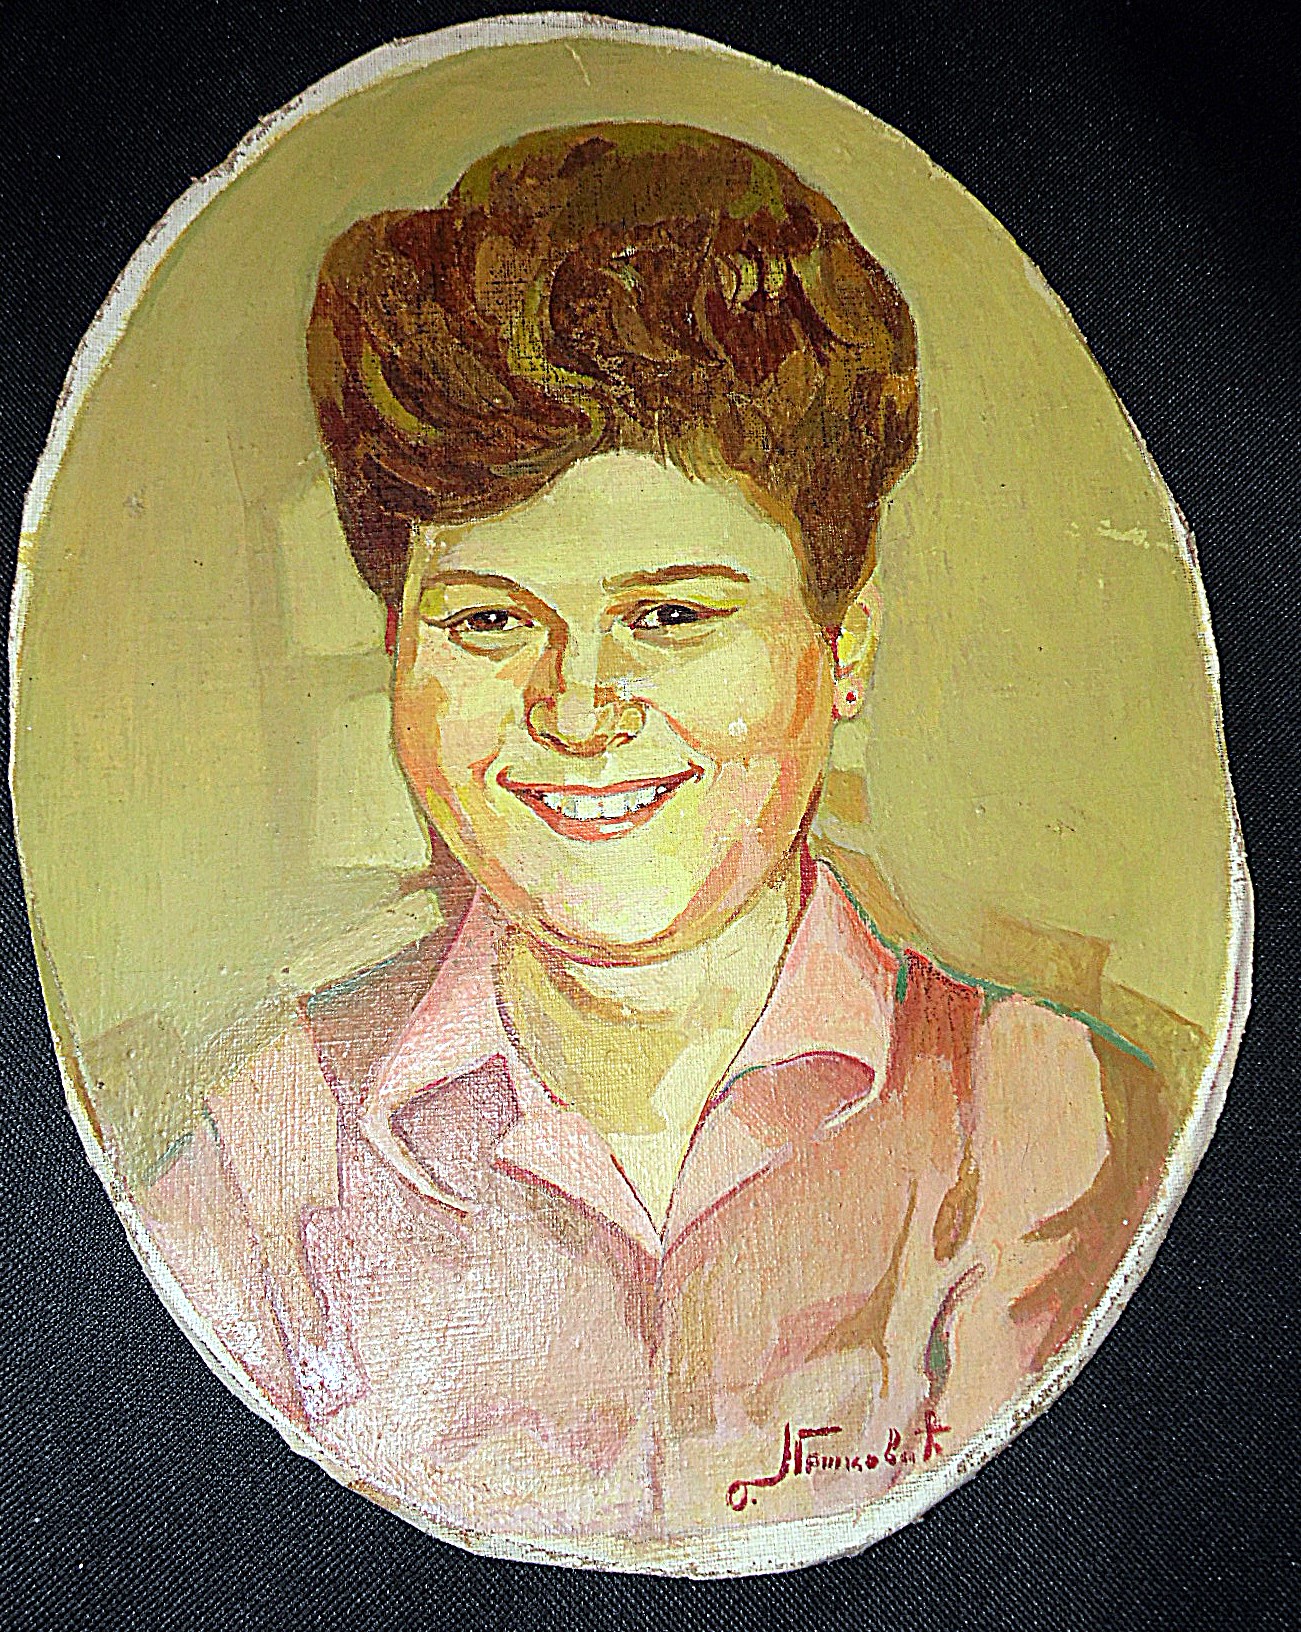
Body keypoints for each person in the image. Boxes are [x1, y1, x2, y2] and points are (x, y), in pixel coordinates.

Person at [142, 124, 1173, 1562]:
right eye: (487, 621)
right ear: (397, 648)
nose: (576, 710)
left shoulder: (1039, 1122)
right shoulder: (270, 1145)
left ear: (843, 642)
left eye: (673, 616)